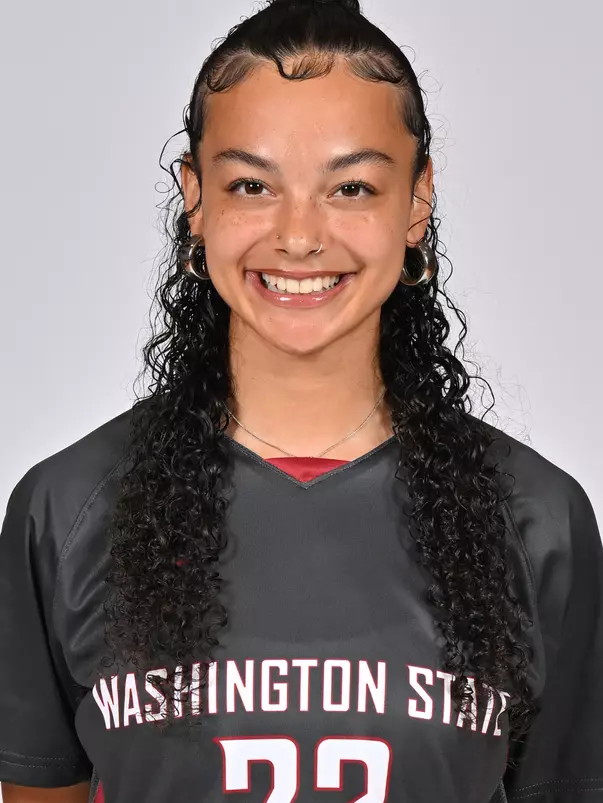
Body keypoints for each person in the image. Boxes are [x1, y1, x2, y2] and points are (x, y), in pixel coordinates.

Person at [1, 0, 602, 801]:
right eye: (251, 183)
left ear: (417, 200)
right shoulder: (66, 507)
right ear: (195, 198)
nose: (297, 235)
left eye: (350, 186)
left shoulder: (536, 520)